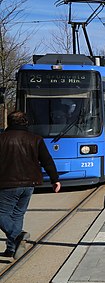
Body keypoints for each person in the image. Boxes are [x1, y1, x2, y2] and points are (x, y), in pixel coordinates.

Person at [0, 111, 61, 259]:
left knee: (2, 213)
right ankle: (12, 248)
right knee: (17, 214)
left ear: (9, 122)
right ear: (26, 122)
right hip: (29, 183)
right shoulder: (36, 139)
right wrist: (55, 179)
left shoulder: (1, 139)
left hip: (7, 183)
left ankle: (17, 235)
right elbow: (47, 160)